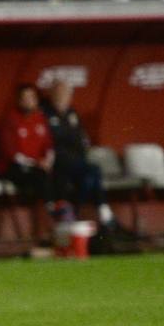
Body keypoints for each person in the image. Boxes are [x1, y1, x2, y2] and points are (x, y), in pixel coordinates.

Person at [42, 81, 113, 225]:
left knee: (90, 176)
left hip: (76, 161)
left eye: (65, 94)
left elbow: (80, 138)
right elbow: (54, 140)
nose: (62, 98)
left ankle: (78, 210)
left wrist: (72, 140)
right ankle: (102, 209)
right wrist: (68, 139)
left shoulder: (72, 113)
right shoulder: (44, 114)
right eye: (59, 94)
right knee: (91, 171)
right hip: (57, 162)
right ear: (52, 95)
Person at [0, 84, 54, 243]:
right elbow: (12, 154)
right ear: (19, 100)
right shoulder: (10, 120)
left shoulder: (40, 117)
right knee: (41, 179)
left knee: (57, 176)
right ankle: (47, 226)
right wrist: (37, 163)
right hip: (13, 168)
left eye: (32, 98)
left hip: (39, 168)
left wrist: (47, 161)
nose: (29, 101)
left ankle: (60, 222)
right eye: (25, 98)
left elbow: (49, 145)